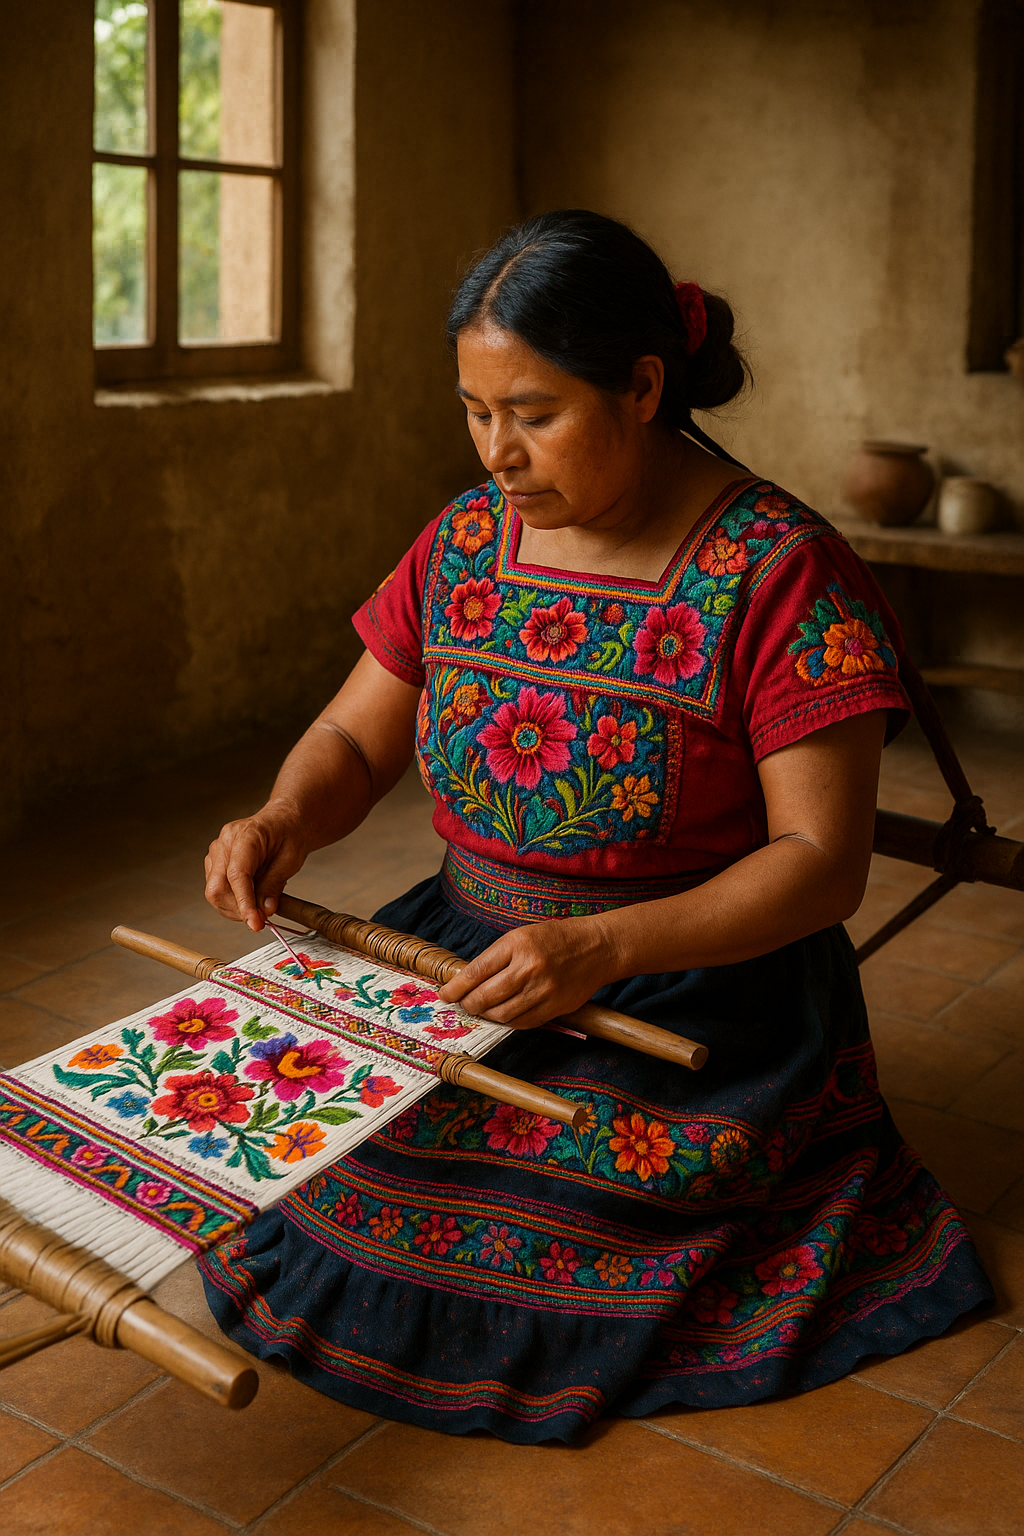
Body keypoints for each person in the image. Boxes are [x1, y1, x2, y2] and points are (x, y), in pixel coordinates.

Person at [200, 210, 992, 1442]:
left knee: (542, 1229)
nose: (496, 455)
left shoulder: (777, 572)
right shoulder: (464, 541)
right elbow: (354, 738)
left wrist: (607, 949)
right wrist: (281, 815)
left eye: (533, 411)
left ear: (640, 386)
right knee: (312, 1164)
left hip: (687, 994)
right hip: (468, 959)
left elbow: (819, 866)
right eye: (475, 410)